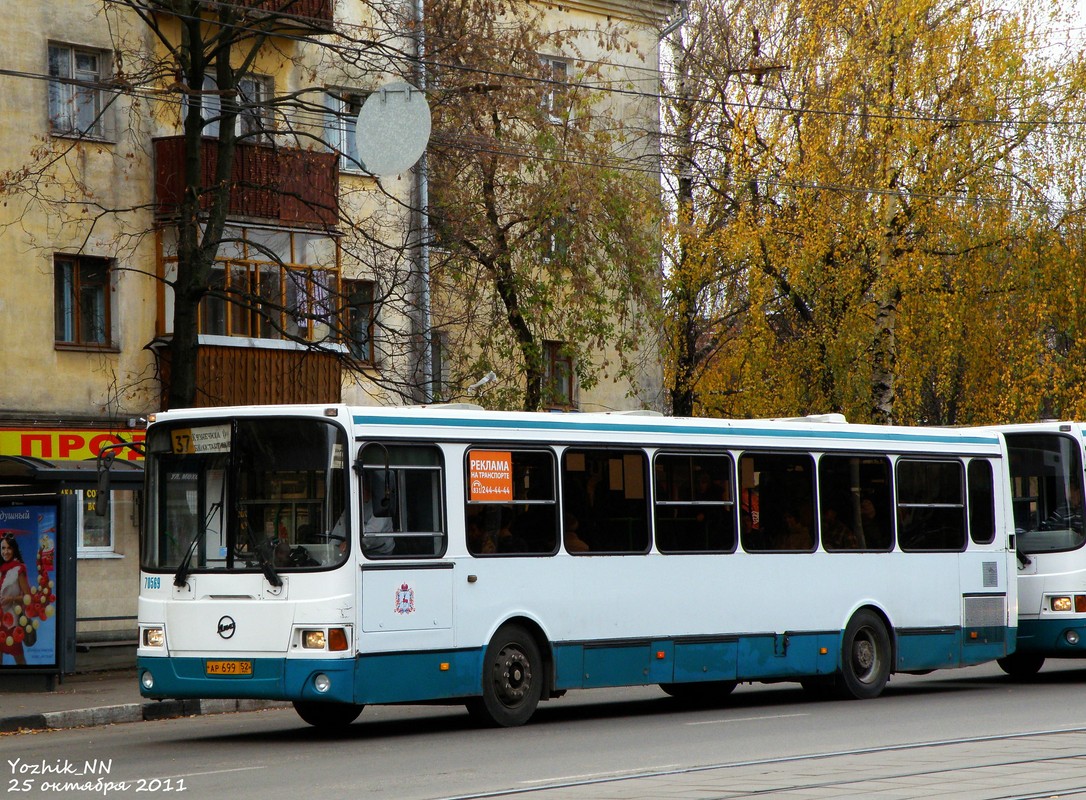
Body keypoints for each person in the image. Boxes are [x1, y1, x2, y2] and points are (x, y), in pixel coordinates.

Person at [1, 533, 34, 666]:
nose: (5, 551)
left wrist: (11, 598)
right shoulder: (0, 569)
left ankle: (26, 681)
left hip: (11, 621)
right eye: (3, 548)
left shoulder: (18, 569)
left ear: (14, 549)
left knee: (18, 656)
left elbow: (28, 598)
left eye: (9, 548)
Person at [361, 479, 395, 555]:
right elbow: (342, 525)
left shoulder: (381, 505)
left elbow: (371, 534)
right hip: (363, 548)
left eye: (365, 489)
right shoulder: (355, 502)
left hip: (381, 551)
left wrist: (349, 544)